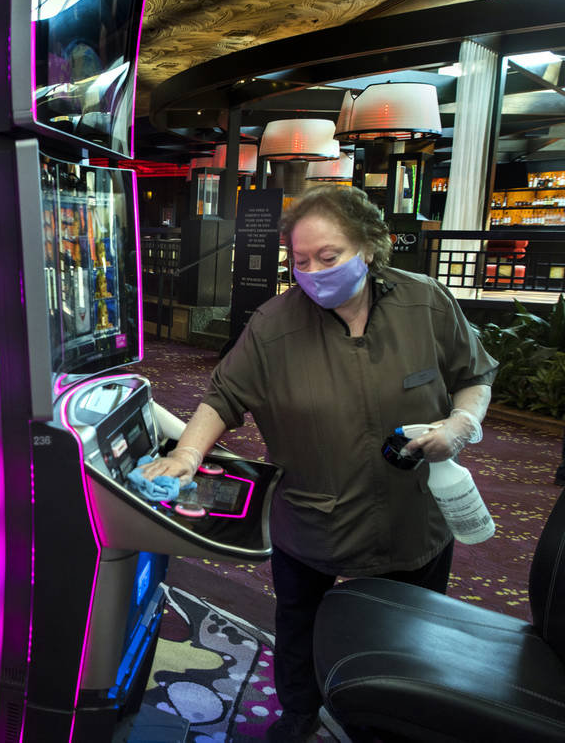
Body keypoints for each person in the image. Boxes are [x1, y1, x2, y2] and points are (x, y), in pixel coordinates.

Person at [140, 185, 497, 742]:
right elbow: (223, 397)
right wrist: (188, 451)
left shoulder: (425, 303)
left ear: (369, 247)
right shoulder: (275, 324)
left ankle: (393, 720)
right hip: (313, 512)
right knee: (300, 622)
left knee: (408, 633)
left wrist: (460, 424)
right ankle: (300, 713)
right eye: (300, 261)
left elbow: (474, 375)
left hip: (413, 514)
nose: (313, 273)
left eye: (328, 258)